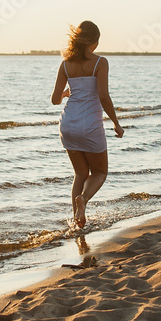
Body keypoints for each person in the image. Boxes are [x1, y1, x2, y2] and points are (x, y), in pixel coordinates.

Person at [50, 20, 124, 229]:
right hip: (89, 125)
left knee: (80, 174)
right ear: (94, 42)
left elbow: (55, 100)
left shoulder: (65, 64)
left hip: (67, 125)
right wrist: (116, 124)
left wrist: (65, 93)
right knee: (100, 172)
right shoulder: (100, 62)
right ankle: (83, 200)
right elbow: (103, 96)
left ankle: (77, 222)